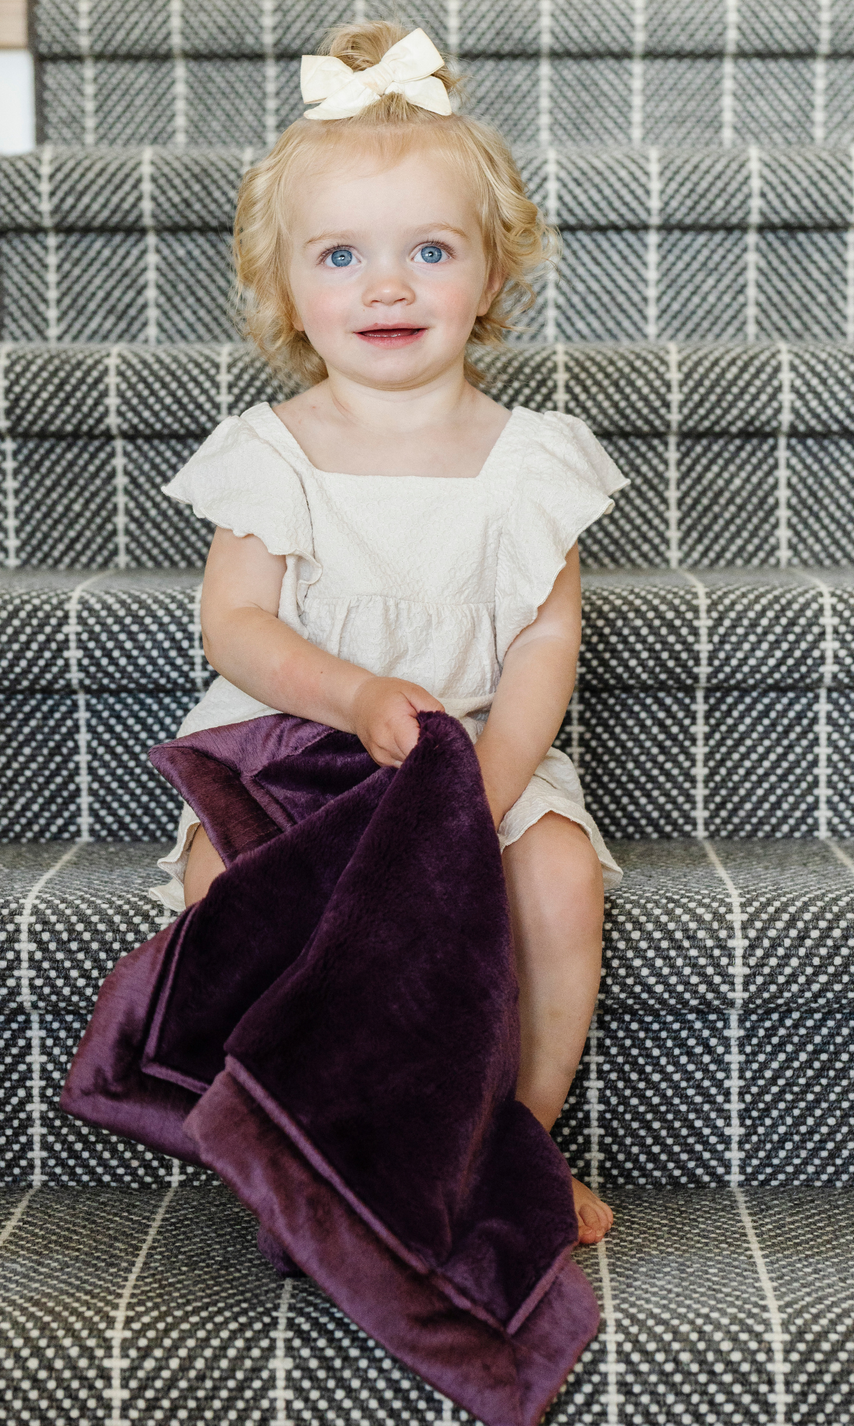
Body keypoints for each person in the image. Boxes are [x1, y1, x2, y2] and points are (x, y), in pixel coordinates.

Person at [153, 20, 622, 1245]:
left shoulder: (531, 463)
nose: (388, 285)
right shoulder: (276, 452)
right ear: (285, 290)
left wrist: (476, 800)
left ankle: (506, 1144)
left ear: (493, 274)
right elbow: (236, 626)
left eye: (429, 249)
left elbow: (538, 648)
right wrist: (356, 694)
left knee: (561, 880)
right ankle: (295, 1138)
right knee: (225, 883)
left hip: (476, 755)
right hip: (300, 753)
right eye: (342, 255)